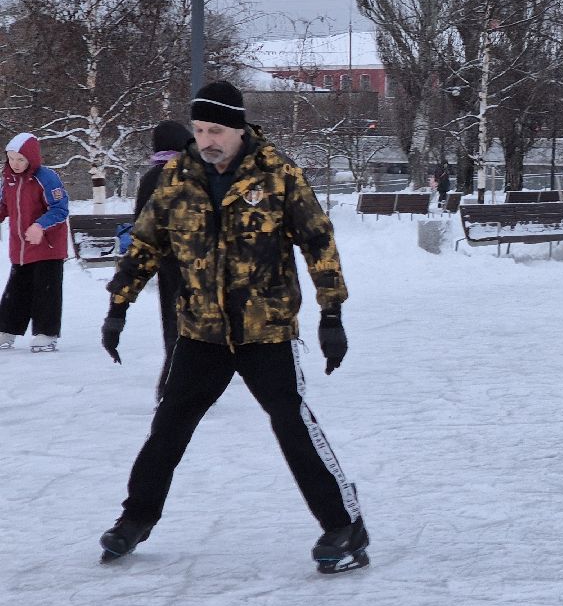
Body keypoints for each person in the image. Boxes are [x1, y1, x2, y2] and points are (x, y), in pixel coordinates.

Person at [97, 81, 368, 574]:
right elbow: (145, 245)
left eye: (216, 130)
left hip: (265, 330)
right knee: (169, 426)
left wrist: (332, 315)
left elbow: (319, 242)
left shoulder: (278, 176)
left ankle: (345, 525)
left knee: (292, 423)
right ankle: (135, 518)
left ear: (239, 128)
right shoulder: (177, 177)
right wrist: (118, 306)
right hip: (201, 332)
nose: (207, 140)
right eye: (200, 129)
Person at [133, 121, 191, 400]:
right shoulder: (193, 174)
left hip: (167, 261)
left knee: (173, 321)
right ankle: (176, 387)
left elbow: (140, 224)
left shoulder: (150, 177)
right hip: (195, 260)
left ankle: (173, 384)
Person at [0, 132, 71, 353]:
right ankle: (7, 330)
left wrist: (40, 226)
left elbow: (60, 209)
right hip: (21, 248)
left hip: (48, 246)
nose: (15, 163)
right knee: (16, 290)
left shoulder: (46, 177)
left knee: (46, 290)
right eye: (11, 158)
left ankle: (46, 333)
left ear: (31, 158)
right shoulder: (8, 181)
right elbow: (3, 207)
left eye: (20, 159)